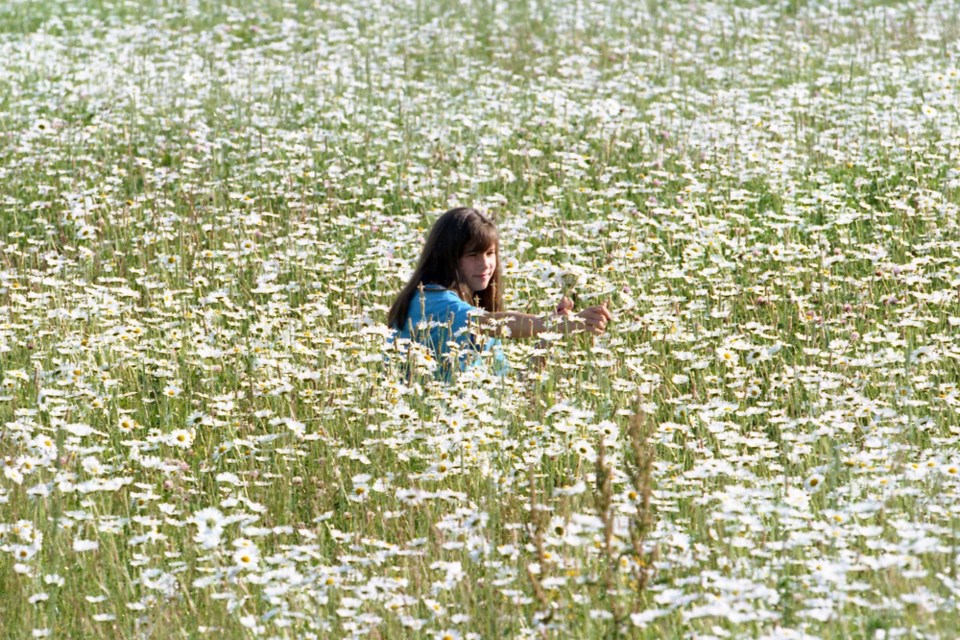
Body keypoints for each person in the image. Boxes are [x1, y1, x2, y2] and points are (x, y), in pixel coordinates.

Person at [386, 207, 612, 379]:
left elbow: (513, 393)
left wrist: (548, 339)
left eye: (490, 253)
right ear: (447, 258)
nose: (485, 265)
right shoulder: (431, 301)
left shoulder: (472, 314)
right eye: (473, 256)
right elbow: (489, 322)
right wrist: (550, 324)